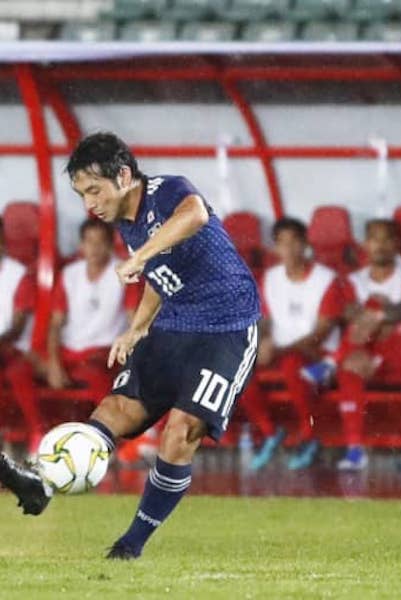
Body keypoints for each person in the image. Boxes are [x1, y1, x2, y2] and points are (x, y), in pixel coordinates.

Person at [0, 132, 261, 559]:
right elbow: (162, 277)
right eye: (82, 194)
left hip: (226, 328)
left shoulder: (167, 191)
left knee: (181, 431)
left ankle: (130, 546)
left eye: (94, 190)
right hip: (174, 325)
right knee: (113, 411)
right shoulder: (126, 223)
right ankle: (40, 482)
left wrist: (140, 257)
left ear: (123, 175)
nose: (90, 204)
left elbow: (193, 215)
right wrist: (136, 328)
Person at [239, 217, 343, 471]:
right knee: (237, 367)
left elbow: (321, 332)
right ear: (275, 248)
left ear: (306, 244)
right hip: (280, 350)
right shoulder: (271, 278)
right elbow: (264, 320)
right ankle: (270, 432)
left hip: (323, 358)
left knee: (292, 366)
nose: (289, 250)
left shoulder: (326, 279)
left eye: (294, 243)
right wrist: (261, 342)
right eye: (282, 244)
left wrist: (279, 349)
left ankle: (310, 437)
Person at [336, 219, 401, 471]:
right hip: (366, 350)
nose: (381, 246)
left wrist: (378, 313)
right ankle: (355, 449)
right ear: (366, 245)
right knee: (349, 369)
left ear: (397, 245)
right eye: (375, 239)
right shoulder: (356, 279)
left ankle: (331, 359)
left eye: (387, 239)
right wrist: (382, 313)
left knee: (373, 309)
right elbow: (350, 312)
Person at [46, 219, 139, 402]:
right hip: (70, 351)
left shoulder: (124, 273)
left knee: (95, 375)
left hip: (104, 353)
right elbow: (56, 323)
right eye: (89, 241)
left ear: (111, 245)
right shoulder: (69, 274)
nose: (95, 248)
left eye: (100, 242)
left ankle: (105, 429)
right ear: (81, 245)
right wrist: (53, 364)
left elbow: (134, 320)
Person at [0, 217, 40, 454]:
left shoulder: (19, 274)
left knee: (16, 370)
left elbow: (16, 327)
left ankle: (35, 432)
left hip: (13, 349)